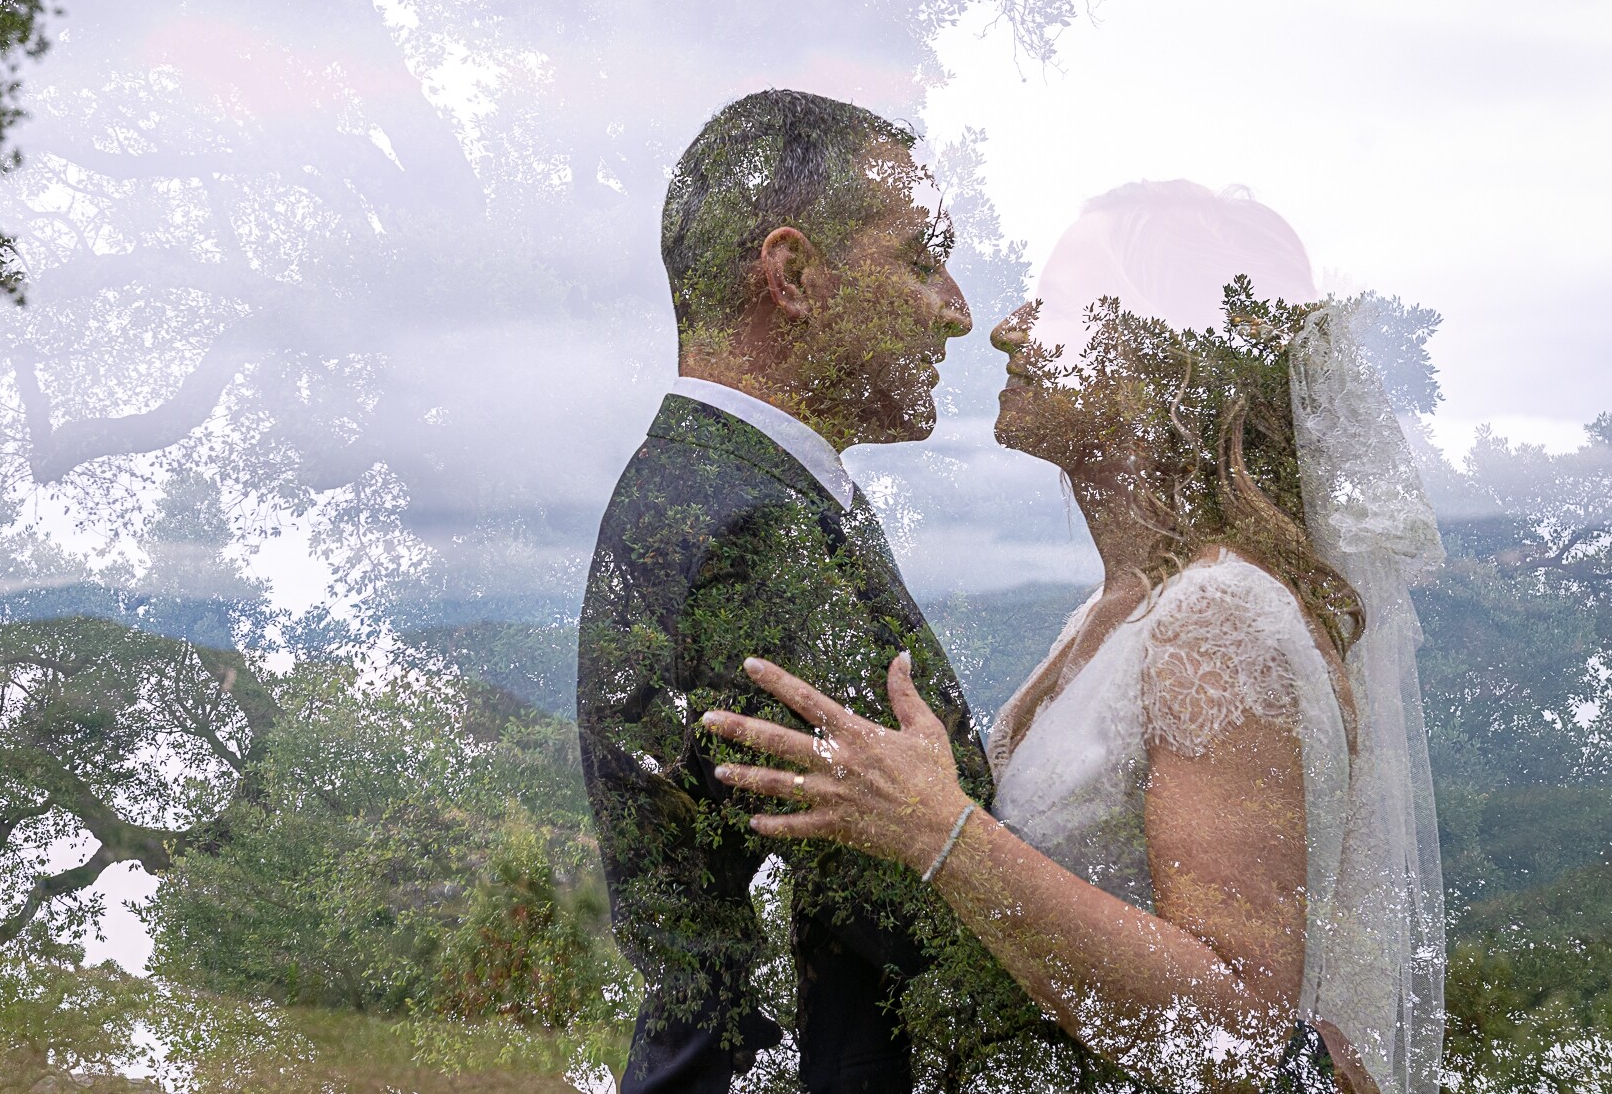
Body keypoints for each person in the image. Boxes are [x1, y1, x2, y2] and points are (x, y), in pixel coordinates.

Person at [703, 181, 1447, 1094]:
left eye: (1048, 304)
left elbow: (1244, 1037)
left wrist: (939, 829)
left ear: (1157, 356)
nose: (1005, 330)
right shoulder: (1117, 610)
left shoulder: (1219, 616)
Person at [577, 90, 1102, 1094]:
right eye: (920, 258)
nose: (955, 310)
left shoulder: (720, 487)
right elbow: (921, 927)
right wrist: (1239, 1052)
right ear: (793, 276)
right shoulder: (748, 527)